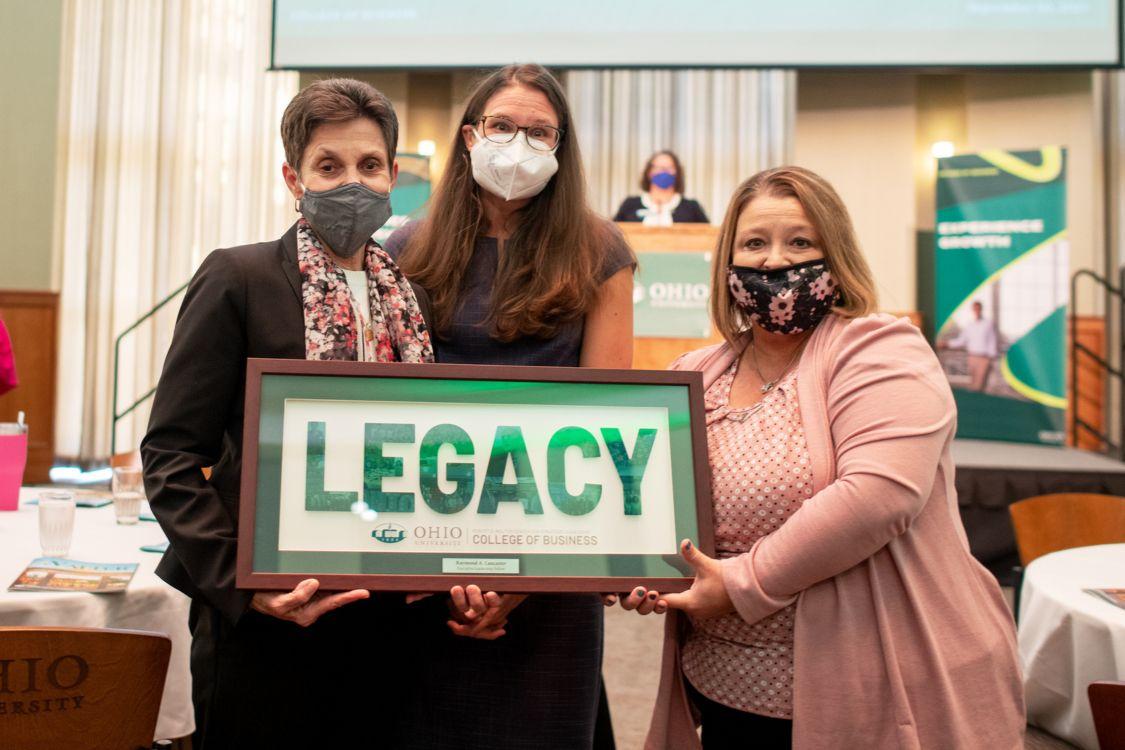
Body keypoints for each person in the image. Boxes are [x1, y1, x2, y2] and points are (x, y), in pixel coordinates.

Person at [617, 166, 1024, 749]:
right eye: (754, 243)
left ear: (836, 254)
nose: (774, 261)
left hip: (874, 693)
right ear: (727, 261)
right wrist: (636, 568)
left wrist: (739, 584)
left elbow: (878, 498)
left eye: (800, 242)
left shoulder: (882, 349)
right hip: (722, 693)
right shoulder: (692, 375)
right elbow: (653, 504)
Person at [141, 78, 434, 748]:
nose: (351, 183)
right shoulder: (238, 278)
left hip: (386, 614)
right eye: (328, 167)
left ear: (393, 175)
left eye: (368, 166)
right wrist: (245, 589)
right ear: (292, 178)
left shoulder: (409, 297)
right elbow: (169, 454)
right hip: (267, 619)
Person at [386, 63, 635, 749]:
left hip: (553, 554)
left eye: (538, 132)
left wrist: (519, 584)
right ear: (469, 136)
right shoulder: (403, 248)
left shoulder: (599, 251)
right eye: (501, 126)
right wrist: (442, 570)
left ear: (560, 150)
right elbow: (381, 409)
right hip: (423, 550)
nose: (517, 144)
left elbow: (606, 421)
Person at [613, 150, 709, 225]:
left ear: (677, 173)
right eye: (658, 167)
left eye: (669, 168)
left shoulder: (691, 208)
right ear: (649, 172)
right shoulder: (630, 205)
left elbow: (709, 236)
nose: (664, 171)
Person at [940, 299, 999, 391]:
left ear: (981, 309)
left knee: (980, 385)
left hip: (983, 358)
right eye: (975, 308)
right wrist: (947, 344)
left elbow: (992, 341)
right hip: (972, 357)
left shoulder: (988, 324)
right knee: (973, 384)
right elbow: (961, 341)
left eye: (978, 308)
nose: (977, 310)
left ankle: (979, 403)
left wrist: (991, 358)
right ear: (973, 310)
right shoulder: (970, 325)